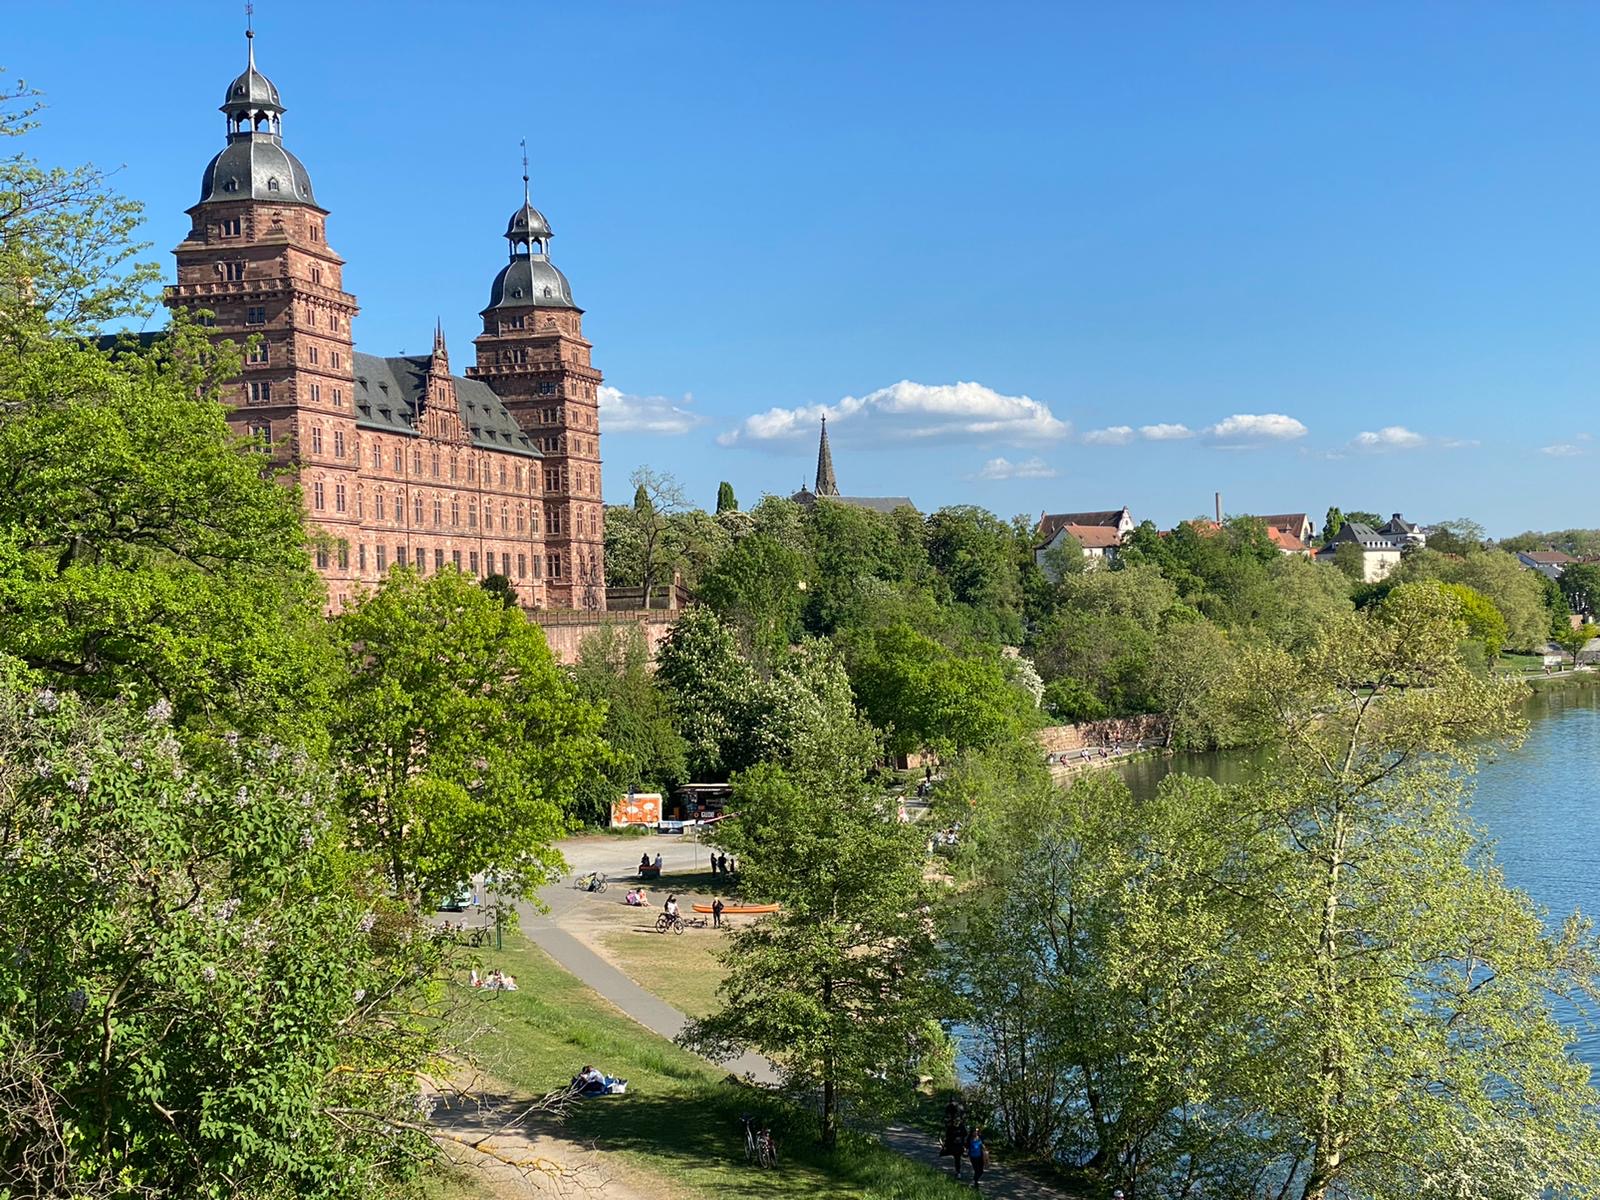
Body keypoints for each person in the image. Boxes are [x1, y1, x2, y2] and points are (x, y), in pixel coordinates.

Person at [967, 1126, 987, 1191]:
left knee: (981, 1171)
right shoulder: (969, 1139)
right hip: (973, 1157)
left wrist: (984, 1148)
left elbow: (983, 1144)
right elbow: (966, 1147)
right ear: (972, 1132)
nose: (976, 1132)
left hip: (980, 1156)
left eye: (977, 1131)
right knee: (977, 1170)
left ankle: (975, 1180)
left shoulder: (980, 1138)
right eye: (974, 1131)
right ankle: (976, 1183)